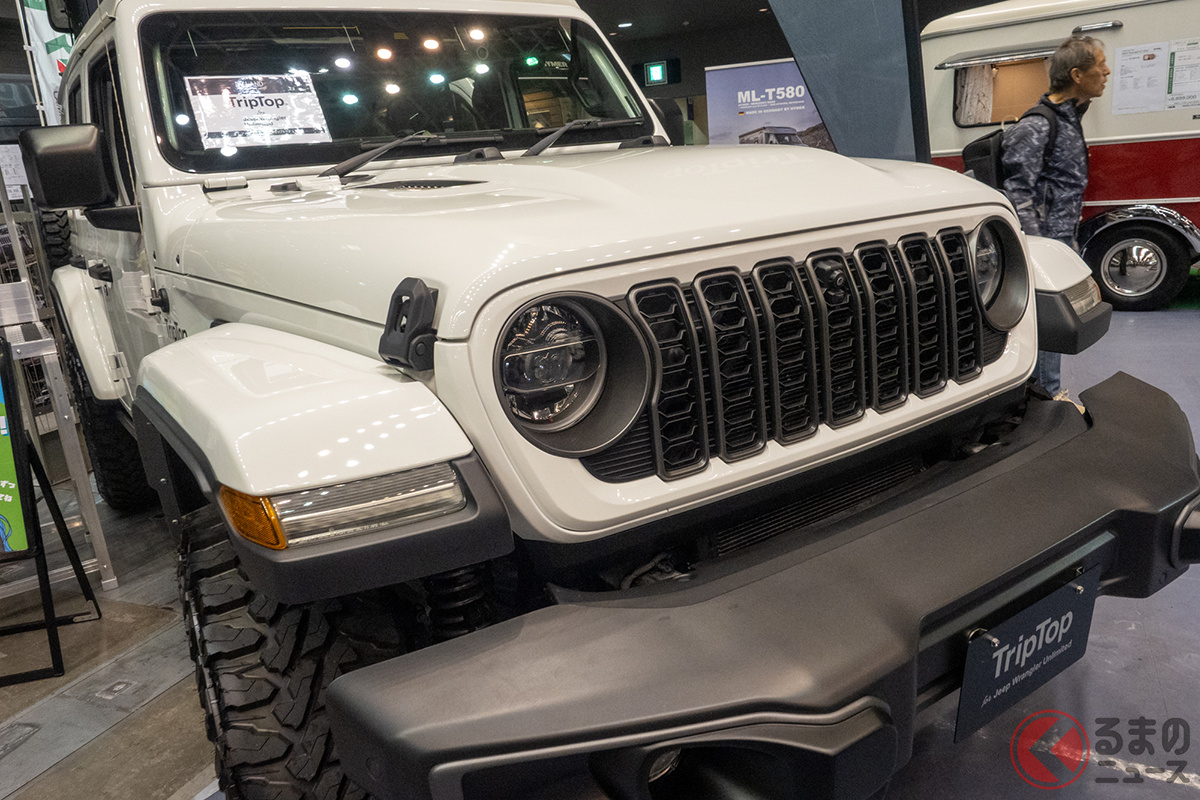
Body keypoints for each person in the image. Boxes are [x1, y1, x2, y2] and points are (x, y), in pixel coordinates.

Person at [1001, 35, 1110, 398]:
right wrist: (1039, 250)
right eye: (1100, 65)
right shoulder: (1038, 126)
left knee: (1057, 325)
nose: (1107, 72)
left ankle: (1047, 394)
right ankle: (1046, 399)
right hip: (1043, 244)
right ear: (1077, 74)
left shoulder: (1069, 118)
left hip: (1061, 238)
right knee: (1048, 325)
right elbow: (1018, 192)